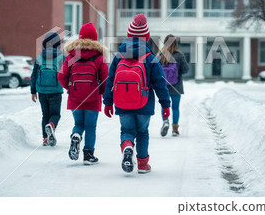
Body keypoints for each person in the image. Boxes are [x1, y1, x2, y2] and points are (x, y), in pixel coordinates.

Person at [103, 13, 171, 174]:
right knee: (142, 132)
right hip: (144, 103)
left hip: (122, 101)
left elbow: (110, 79)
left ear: (128, 35)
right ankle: (142, 164)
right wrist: (165, 104)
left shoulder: (119, 56)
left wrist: (107, 102)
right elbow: (160, 82)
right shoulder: (150, 57)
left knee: (126, 131)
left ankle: (127, 146)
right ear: (147, 37)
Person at [58, 23, 108, 165]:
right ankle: (88, 155)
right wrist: (102, 93)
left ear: (80, 37)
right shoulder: (99, 57)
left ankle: (76, 135)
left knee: (78, 123)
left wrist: (69, 88)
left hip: (75, 98)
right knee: (91, 127)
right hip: (93, 98)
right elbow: (105, 77)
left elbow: (61, 76)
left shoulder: (72, 56)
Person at [31, 32, 64, 147]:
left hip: (42, 91)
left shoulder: (40, 56)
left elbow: (34, 74)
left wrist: (33, 91)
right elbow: (66, 74)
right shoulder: (61, 57)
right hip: (56, 91)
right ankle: (51, 124)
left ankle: (45, 138)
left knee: (45, 114)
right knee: (55, 114)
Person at [158, 34, 189, 137]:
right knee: (175, 108)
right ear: (176, 43)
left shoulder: (161, 54)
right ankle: (175, 129)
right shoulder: (179, 55)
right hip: (176, 85)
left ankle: (165, 121)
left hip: (163, 86)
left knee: (165, 106)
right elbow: (185, 70)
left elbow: (155, 69)